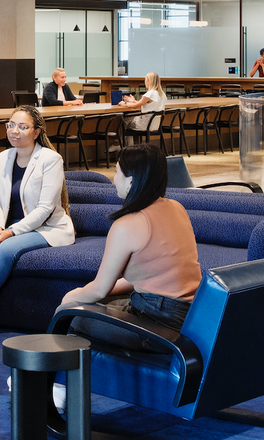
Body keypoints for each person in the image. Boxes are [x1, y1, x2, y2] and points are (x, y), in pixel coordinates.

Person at [55, 145, 199, 353]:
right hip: (189, 317)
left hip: (157, 324)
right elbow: (143, 279)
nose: (114, 178)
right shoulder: (177, 208)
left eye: (117, 171)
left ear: (131, 180)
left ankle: (60, 381)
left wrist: (72, 296)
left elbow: (99, 288)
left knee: (67, 312)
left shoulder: (128, 224)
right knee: (94, 302)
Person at [0, 104, 74, 333]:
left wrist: (10, 232)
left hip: (45, 228)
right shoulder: (3, 158)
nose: (15, 131)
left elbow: (45, 209)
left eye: (23, 127)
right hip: (6, 226)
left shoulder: (51, 159)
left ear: (36, 132)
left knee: (5, 248)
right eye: (11, 125)